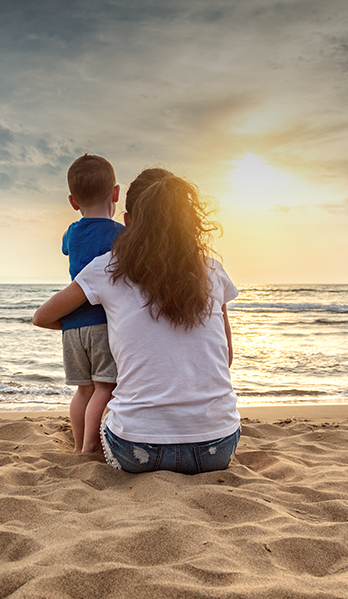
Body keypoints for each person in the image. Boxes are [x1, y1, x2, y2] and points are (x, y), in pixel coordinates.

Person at [34, 168, 240, 474]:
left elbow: (42, 317)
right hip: (216, 447)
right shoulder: (212, 270)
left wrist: (109, 325)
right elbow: (227, 359)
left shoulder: (106, 268)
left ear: (127, 223)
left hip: (137, 449)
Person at [59, 154, 125, 453]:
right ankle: (90, 448)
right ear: (116, 193)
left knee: (83, 389)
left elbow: (65, 250)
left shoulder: (71, 233)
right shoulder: (120, 235)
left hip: (71, 325)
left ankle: (77, 445)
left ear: (73, 201)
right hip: (101, 322)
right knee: (104, 387)